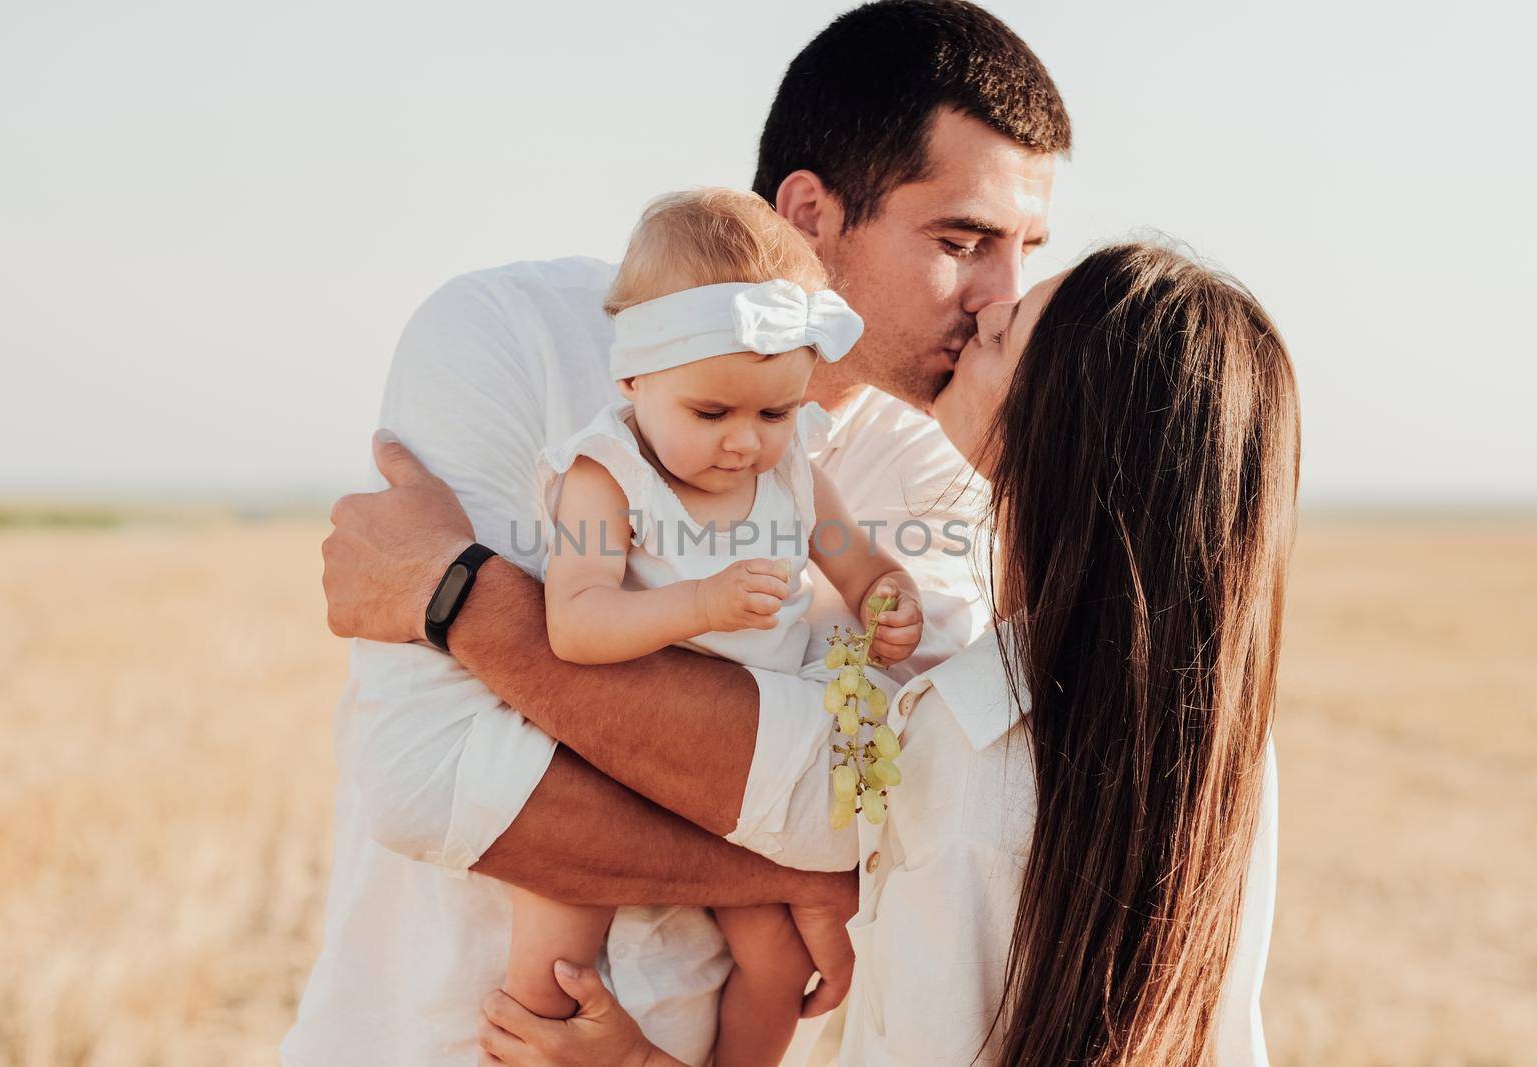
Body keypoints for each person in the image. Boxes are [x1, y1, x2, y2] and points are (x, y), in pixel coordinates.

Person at [288, 3, 1071, 1065]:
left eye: (1025, 250)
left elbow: (869, 807)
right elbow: (429, 777)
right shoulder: (510, 338)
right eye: (961, 241)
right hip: (426, 1041)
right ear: (809, 213)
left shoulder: (936, 471)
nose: (1000, 300)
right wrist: (786, 870)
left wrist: (462, 602)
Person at [470, 242, 1298, 1066]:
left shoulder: (970, 774)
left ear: (1062, 430)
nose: (991, 305)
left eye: (1010, 335)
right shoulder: (1230, 748)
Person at [511, 187, 924, 1067]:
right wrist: (699, 604)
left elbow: (857, 563)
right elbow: (574, 624)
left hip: (736, 767)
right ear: (634, 378)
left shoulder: (796, 476)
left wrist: (889, 599)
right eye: (712, 414)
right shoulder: (606, 476)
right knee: (554, 940)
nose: (746, 443)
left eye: (774, 413)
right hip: (618, 761)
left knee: (776, 956)